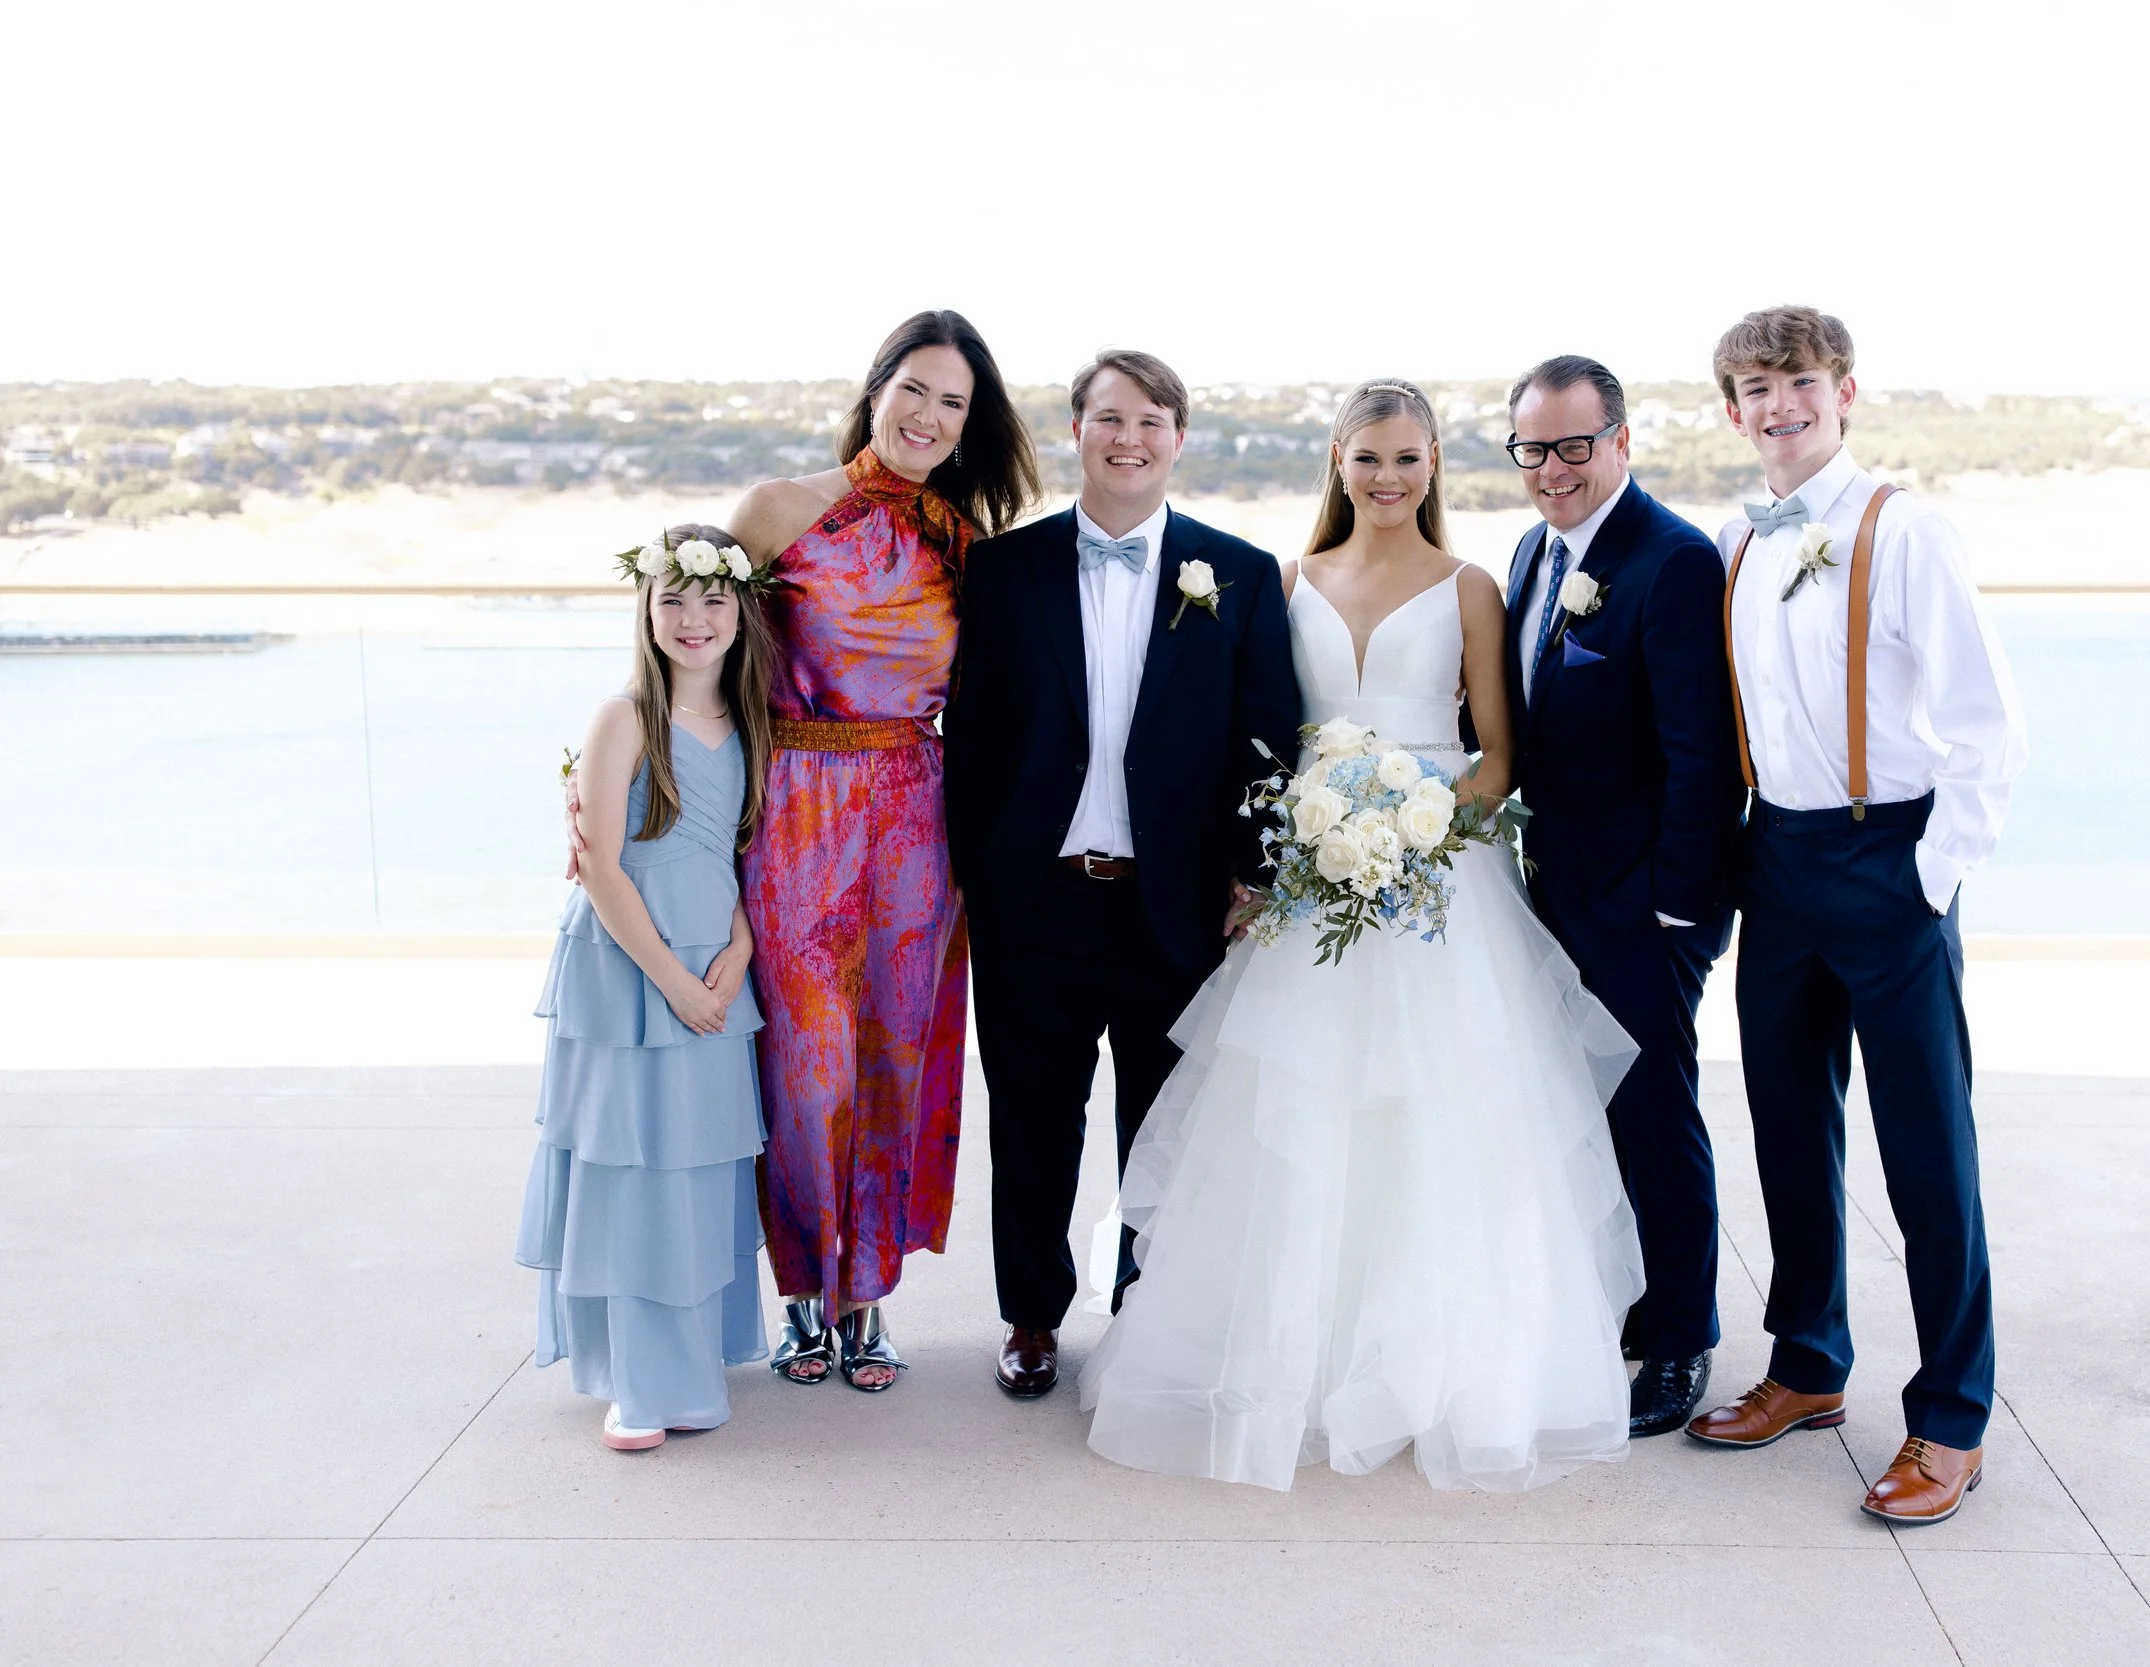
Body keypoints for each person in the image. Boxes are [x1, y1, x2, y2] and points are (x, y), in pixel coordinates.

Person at [1077, 379, 1645, 1491]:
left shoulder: (1470, 586)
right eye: (1369, 457)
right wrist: (1312, 840)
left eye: (1409, 458)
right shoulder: (1288, 581)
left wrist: (1414, 832)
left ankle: (1439, 1363)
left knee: (1441, 1121)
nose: (1389, 478)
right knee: (1300, 1115)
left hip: (1439, 883)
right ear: (1337, 461)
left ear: (1435, 465)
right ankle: (1291, 1358)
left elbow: (1498, 755)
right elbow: (1264, 737)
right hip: (1314, 876)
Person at [1686, 305, 2025, 1527]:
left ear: (1843, 392)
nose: (1778, 406)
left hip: (1888, 858)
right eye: (1754, 389)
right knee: (1788, 1128)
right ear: (1732, 410)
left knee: (1928, 1152)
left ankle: (1952, 1416)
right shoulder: (1734, 539)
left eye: (1799, 383)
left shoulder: (1907, 529)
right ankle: (1808, 1363)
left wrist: (1928, 875)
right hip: (1774, 856)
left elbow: (1986, 723)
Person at [682, 310, 1036, 1391]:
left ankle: (866, 1298)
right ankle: (801, 1290)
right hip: (796, 810)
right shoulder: (778, 509)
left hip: (917, 825)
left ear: (969, 425)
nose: (928, 415)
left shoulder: (964, 543)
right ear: (876, 388)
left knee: (893, 1061)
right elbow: (688, 649)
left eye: (953, 402)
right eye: (914, 388)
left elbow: (999, 711)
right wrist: (628, 787)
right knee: (805, 1064)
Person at [943, 349, 1300, 1399]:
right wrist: (980, 878)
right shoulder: (1003, 570)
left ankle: (1147, 1311)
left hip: (1174, 904)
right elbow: (972, 741)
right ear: (1077, 431)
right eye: (1109, 418)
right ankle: (1031, 1315)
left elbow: (1267, 739)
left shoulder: (1238, 572)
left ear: (1178, 437)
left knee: (1164, 1122)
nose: (1128, 439)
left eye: (1149, 421)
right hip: (1036, 897)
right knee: (1032, 1120)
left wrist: (1255, 874)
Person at [1495, 355, 1748, 1437]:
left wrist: (1676, 912)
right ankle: (1626, 1304)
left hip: (1643, 907)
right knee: (1589, 1115)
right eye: (1533, 448)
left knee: (1653, 1115)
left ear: (1622, 441)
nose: (1552, 468)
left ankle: (1682, 1336)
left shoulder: (1674, 559)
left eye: (1574, 445)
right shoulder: (1530, 552)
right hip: (1552, 893)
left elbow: (1704, 757)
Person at [519, 526, 775, 1450]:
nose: (693, 618)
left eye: (712, 599)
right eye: (673, 599)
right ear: (646, 612)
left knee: (695, 1169)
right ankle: (637, 1379)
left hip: (713, 965)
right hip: (631, 971)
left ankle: (688, 1361)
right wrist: (672, 981)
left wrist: (739, 947)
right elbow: (600, 865)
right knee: (633, 1169)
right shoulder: (625, 717)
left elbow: (736, 854)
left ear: (741, 611)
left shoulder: (751, 721)